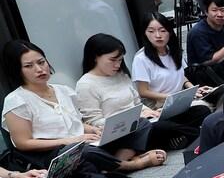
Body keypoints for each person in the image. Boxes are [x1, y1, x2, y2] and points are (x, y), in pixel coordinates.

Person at [1, 40, 163, 171]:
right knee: (84, 152)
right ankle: (130, 165)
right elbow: (24, 143)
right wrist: (72, 140)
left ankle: (115, 161)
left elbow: (74, 123)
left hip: (85, 141)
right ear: (17, 70)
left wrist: (91, 129)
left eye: (41, 62)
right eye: (29, 66)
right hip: (56, 152)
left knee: (140, 123)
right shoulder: (16, 100)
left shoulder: (64, 91)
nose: (39, 69)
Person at [75, 33, 206, 153]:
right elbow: (93, 122)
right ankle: (197, 135)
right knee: (162, 127)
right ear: (95, 57)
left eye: (120, 60)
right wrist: (134, 119)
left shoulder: (120, 75)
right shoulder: (86, 84)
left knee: (199, 111)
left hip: (142, 121)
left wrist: (148, 112)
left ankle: (177, 138)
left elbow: (137, 103)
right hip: (122, 131)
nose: (117, 65)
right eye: (113, 60)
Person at [132, 13, 199, 108]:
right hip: (159, 105)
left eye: (163, 31)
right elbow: (143, 91)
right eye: (151, 31)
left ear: (170, 32)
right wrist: (170, 97)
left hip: (181, 99)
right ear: (145, 33)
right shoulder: (141, 59)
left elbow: (179, 76)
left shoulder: (173, 51)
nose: (158, 35)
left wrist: (192, 89)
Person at [186, 0, 224, 65]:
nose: (220, 14)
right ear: (206, 12)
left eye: (223, 10)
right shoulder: (198, 32)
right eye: (214, 10)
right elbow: (210, 60)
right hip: (205, 73)